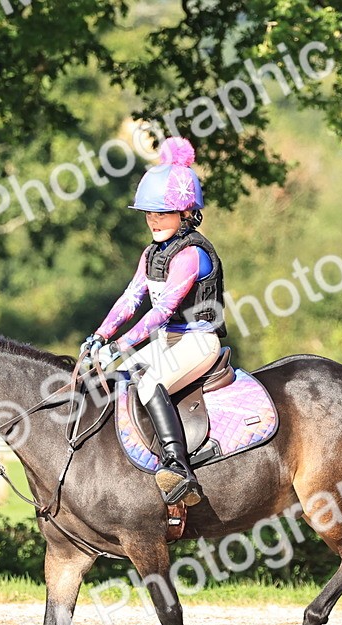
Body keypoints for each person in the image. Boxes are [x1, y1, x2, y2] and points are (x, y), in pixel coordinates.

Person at [81, 137, 226, 507]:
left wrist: (122, 344)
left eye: (162, 213)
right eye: (149, 213)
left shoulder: (191, 254)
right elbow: (131, 298)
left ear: (186, 214)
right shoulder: (152, 254)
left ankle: (179, 470)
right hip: (167, 341)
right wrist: (99, 336)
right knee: (113, 382)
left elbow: (162, 311)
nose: (153, 220)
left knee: (148, 384)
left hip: (198, 340)